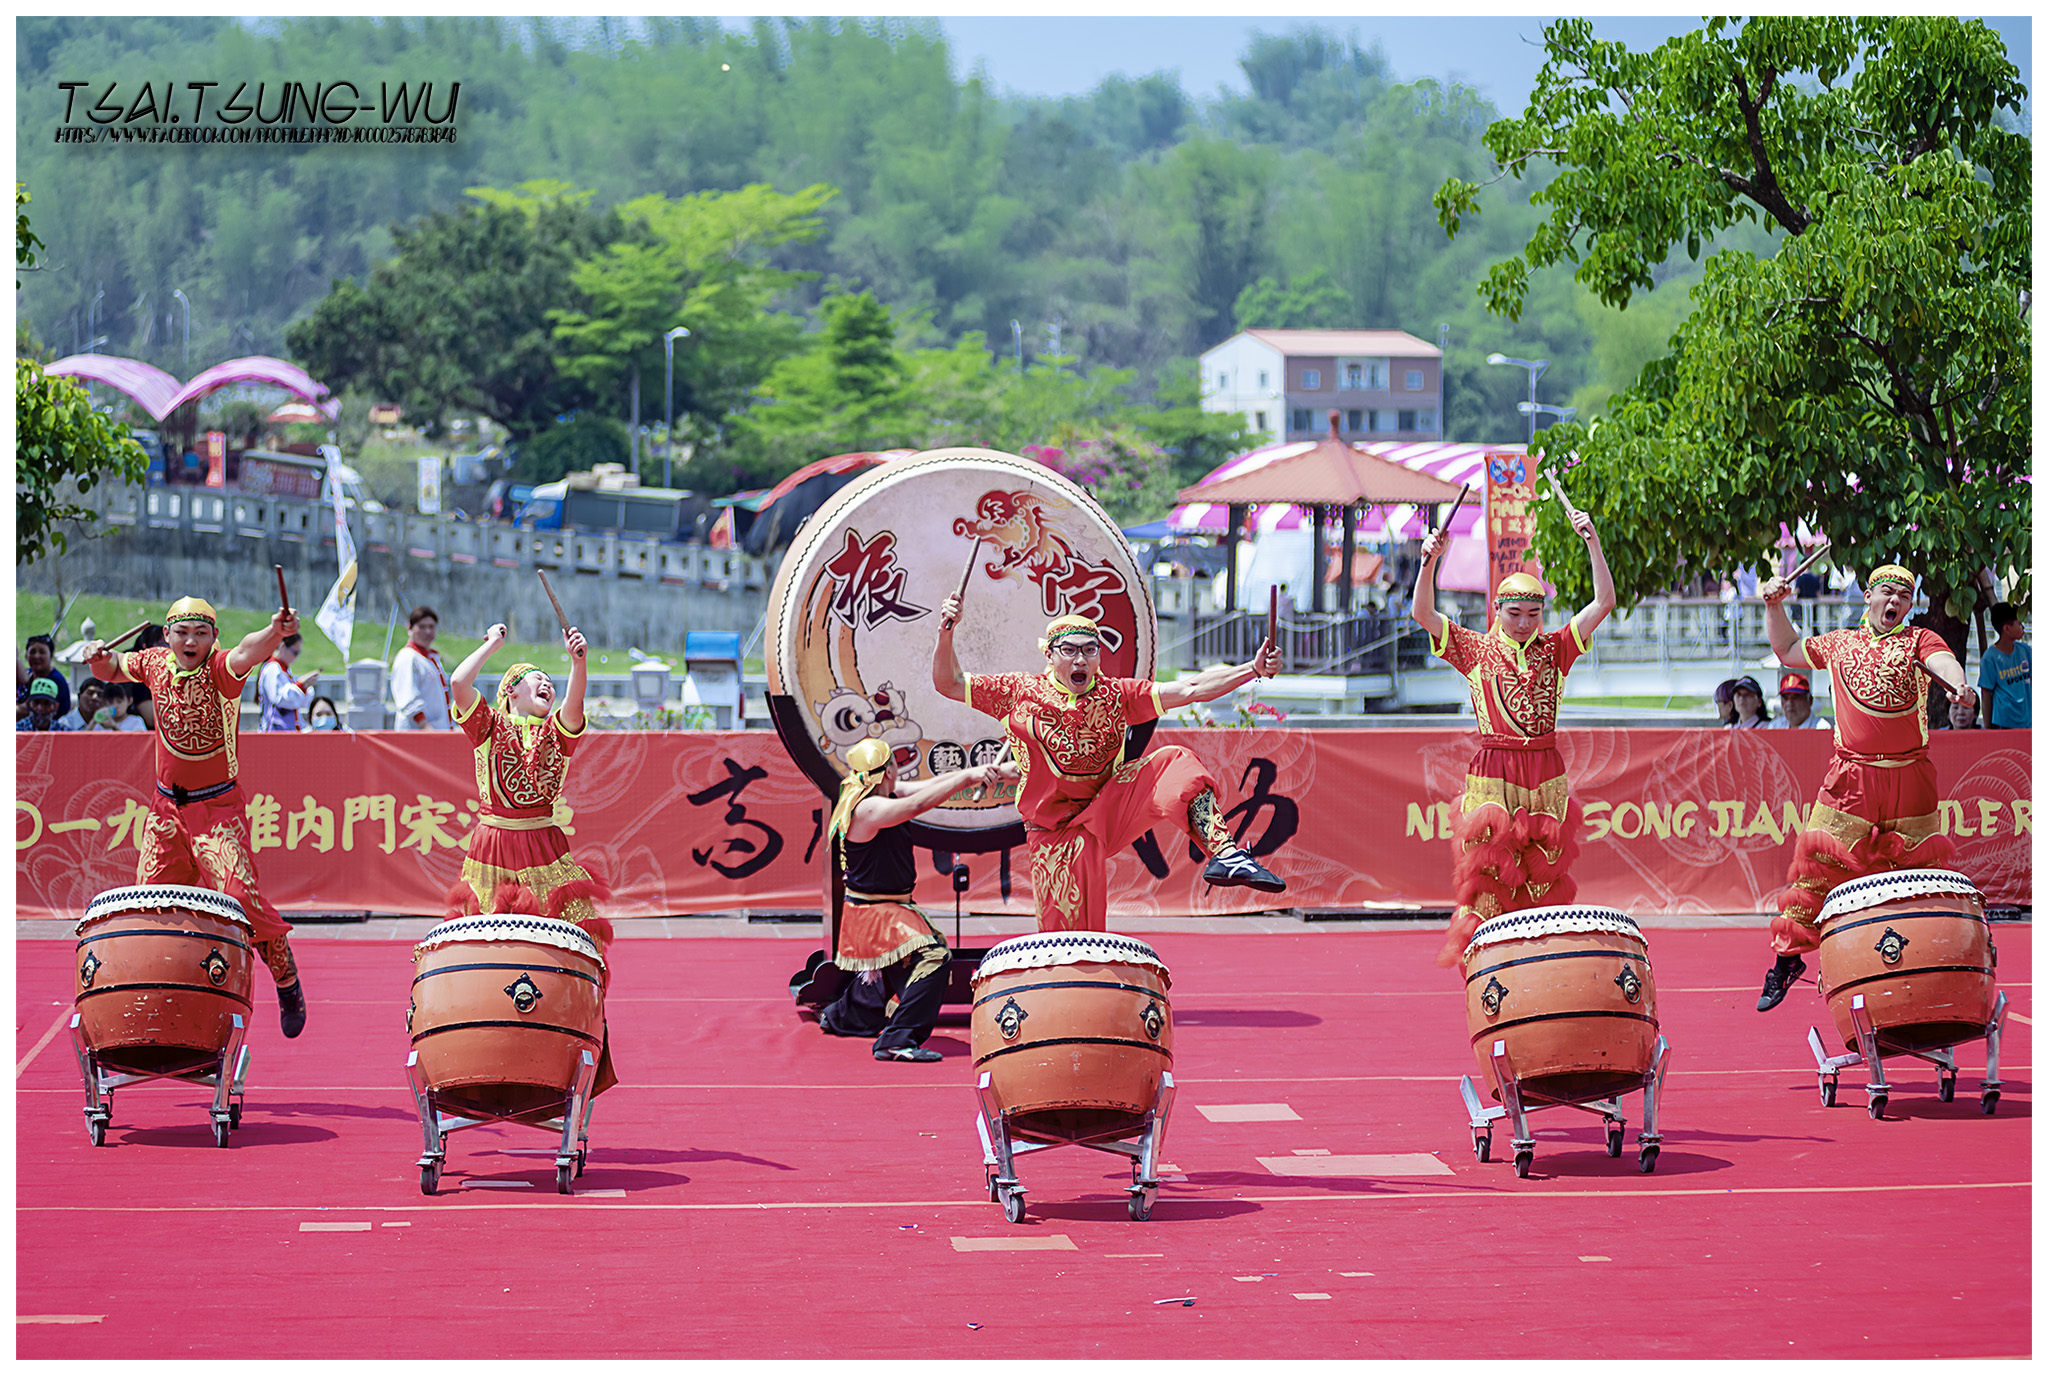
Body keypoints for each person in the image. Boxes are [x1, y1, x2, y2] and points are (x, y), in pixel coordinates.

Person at [932, 603, 1286, 934]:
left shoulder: (1117, 695)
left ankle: (1226, 854)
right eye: (1069, 650)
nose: (1080, 658)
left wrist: (1251, 670)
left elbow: (1190, 689)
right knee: (1068, 939)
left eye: (1090, 649)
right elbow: (949, 683)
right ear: (1050, 654)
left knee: (1173, 762)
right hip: (1052, 831)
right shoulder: (1017, 692)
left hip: (1108, 809)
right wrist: (946, 632)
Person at [1753, 564, 1979, 1011]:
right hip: (1851, 779)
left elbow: (1943, 661)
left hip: (1910, 778)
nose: (1894, 602)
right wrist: (1775, 606)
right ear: (1869, 598)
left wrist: (1959, 685)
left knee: (1920, 878)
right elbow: (1787, 649)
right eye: (1887, 594)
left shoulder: (1918, 639)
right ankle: (1786, 960)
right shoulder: (1840, 643)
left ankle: (1927, 966)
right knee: (1815, 868)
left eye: (1903, 596)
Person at [82, 598, 310, 1037]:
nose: (191, 641)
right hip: (166, 811)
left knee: (239, 897)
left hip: (217, 810)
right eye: (182, 633)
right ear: (167, 636)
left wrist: (275, 632)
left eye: (200, 633)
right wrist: (97, 656)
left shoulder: (223, 669)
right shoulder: (153, 663)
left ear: (212, 638)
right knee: (151, 906)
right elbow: (110, 669)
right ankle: (168, 997)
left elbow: (250, 650)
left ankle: (286, 979)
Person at [1411, 508, 1616, 967]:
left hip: (1545, 770)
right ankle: (1483, 969)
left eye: (1533, 613)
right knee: (1487, 880)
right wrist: (1429, 561)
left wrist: (1592, 542)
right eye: (1515, 613)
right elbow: (1422, 612)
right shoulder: (1476, 649)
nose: (1525, 623)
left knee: (1542, 881)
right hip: (1494, 770)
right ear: (1497, 611)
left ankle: (1538, 974)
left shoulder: (1557, 648)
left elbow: (1604, 602)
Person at [446, 623, 615, 1092]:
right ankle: (480, 1048)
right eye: (533, 677)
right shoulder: (488, 726)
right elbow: (459, 683)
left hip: (543, 847)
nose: (547, 682)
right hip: (492, 850)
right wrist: (492, 645)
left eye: (550, 678)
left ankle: (571, 1040)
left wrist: (578, 662)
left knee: (574, 944)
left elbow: (575, 704)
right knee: (487, 950)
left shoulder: (557, 735)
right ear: (509, 692)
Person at [818, 738, 1005, 1062]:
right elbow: (918, 804)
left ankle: (842, 1017)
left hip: (885, 906)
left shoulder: (873, 793)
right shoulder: (869, 808)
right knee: (933, 956)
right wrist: (965, 779)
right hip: (877, 912)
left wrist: (978, 773)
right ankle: (897, 1040)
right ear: (889, 769)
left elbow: (927, 786)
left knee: (896, 966)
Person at [391, 606, 451, 730]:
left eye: (431, 627)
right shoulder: (407, 657)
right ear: (410, 629)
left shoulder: (430, 658)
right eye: (422, 627)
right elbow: (408, 699)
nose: (427, 632)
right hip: (419, 733)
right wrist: (425, 727)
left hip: (437, 730)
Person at [1977, 602, 2030, 729]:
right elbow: (1986, 694)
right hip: (2003, 723)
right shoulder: (1989, 658)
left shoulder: (2026, 651)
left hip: (2027, 721)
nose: (2023, 627)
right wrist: (1988, 727)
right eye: (2019, 623)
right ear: (2007, 628)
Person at [258, 633, 319, 731]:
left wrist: (305, 687)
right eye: (294, 652)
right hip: (275, 731)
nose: (296, 657)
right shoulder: (272, 669)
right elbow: (281, 699)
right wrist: (301, 686)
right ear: (282, 646)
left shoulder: (284, 670)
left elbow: (298, 702)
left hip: (286, 730)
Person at [17, 634, 71, 722]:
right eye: (32, 652)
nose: (36, 656)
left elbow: (27, 710)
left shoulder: (55, 681)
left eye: (42, 652)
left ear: (50, 656)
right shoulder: (28, 674)